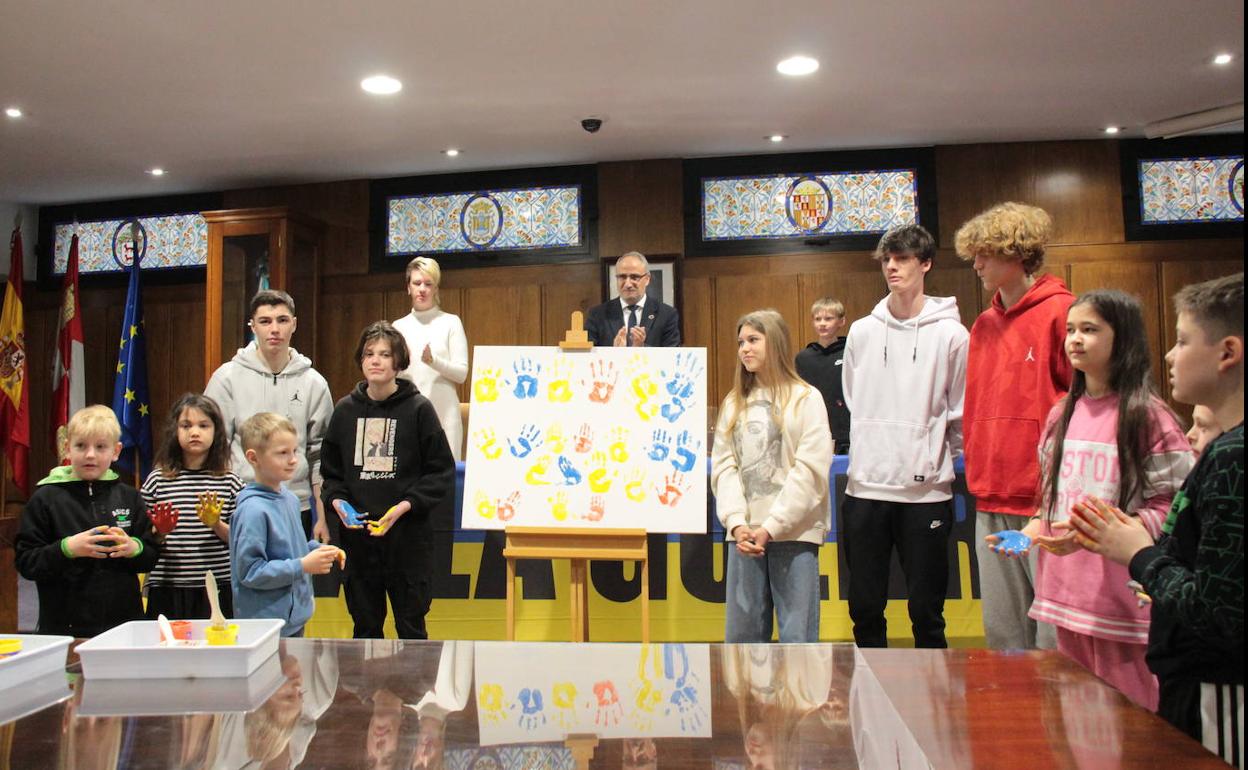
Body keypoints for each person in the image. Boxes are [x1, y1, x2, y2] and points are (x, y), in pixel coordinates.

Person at [1065, 273, 1242, 765]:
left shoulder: (1232, 458)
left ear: (1228, 352)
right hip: (1184, 669)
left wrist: (1139, 552)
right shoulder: (1223, 451)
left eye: (1183, 341)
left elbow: (1216, 608)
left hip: (1217, 681)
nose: (1170, 354)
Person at [990, 289, 1193, 711]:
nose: (1075, 340)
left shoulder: (1149, 416)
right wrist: (1032, 533)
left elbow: (1175, 507)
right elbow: (1052, 501)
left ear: (1123, 339)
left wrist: (1102, 533)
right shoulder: (1061, 413)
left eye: (1090, 329)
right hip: (1067, 598)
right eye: (1070, 330)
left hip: (1123, 605)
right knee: (1074, 727)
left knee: (1132, 727)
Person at [840, 224, 968, 649]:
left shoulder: (952, 335)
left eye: (902, 259)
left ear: (926, 263)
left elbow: (959, 412)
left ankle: (933, 709)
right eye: (886, 260)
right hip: (865, 488)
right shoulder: (861, 331)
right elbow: (855, 401)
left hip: (925, 494)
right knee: (864, 608)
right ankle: (870, 706)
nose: (892, 267)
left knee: (927, 613)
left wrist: (928, 460)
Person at [954, 201, 1074, 650]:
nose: (977, 264)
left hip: (1044, 501)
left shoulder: (1063, 313)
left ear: (1017, 253)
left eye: (987, 254)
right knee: (1003, 633)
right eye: (975, 255)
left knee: (1050, 635)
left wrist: (1055, 493)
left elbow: (1082, 409)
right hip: (991, 495)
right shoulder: (982, 326)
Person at [321, 321, 456, 639]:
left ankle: (413, 692)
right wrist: (338, 502)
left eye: (384, 354)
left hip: (407, 542)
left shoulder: (419, 409)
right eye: (369, 353)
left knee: (411, 628)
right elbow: (331, 474)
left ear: (399, 362)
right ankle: (366, 690)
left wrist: (405, 506)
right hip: (360, 542)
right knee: (365, 628)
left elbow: (440, 472)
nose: (376, 360)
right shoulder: (344, 411)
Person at [711, 308, 833, 643]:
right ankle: (747, 699)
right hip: (745, 538)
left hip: (794, 534)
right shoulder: (735, 402)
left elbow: (810, 472)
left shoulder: (806, 399)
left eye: (753, 340)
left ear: (775, 343)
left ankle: (797, 699)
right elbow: (724, 467)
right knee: (743, 640)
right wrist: (737, 523)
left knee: (797, 639)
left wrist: (773, 526)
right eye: (740, 342)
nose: (744, 349)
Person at [15, 404, 160, 636]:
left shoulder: (130, 497)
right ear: (67, 449)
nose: (90, 454)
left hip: (123, 626)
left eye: (101, 447)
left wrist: (135, 548)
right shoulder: (45, 499)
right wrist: (67, 548)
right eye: (81, 446)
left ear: (116, 451)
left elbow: (150, 557)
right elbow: (26, 562)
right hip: (64, 628)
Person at [206, 289, 333, 543]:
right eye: (265, 321)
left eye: (282, 320)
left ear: (294, 324)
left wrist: (321, 515)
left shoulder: (314, 382)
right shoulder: (227, 377)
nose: (274, 329)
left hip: (297, 505)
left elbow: (320, 454)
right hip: (243, 502)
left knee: (294, 577)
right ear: (252, 325)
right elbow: (215, 448)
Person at [231, 412, 343, 637]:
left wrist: (320, 551)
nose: (293, 460)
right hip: (264, 625)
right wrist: (302, 565)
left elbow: (295, 549)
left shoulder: (290, 499)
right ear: (253, 458)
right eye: (282, 453)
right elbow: (250, 572)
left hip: (294, 619)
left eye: (295, 451)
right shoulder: (252, 511)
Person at [141, 392, 244, 619]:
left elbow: (241, 540)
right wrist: (160, 532)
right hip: (167, 585)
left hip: (216, 585)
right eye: (186, 425)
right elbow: (143, 537)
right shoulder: (158, 480)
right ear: (175, 431)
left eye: (203, 425)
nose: (194, 432)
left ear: (216, 431)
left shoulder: (230, 482)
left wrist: (216, 524)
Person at [392, 257, 470, 461]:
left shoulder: (451, 322)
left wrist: (433, 361)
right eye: (417, 283)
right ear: (408, 287)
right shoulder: (398, 327)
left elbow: (461, 374)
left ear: (436, 289)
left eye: (428, 284)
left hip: (445, 416)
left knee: (446, 481)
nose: (422, 289)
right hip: (408, 415)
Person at [585, 251, 681, 348]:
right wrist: (613, 353)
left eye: (634, 277)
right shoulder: (597, 315)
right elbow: (588, 357)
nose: (628, 284)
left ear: (647, 279)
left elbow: (671, 357)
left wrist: (641, 348)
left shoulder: (667, 315)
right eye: (622, 277)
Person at [795, 297, 851, 455]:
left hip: (845, 433)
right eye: (818, 319)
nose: (822, 323)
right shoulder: (803, 358)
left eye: (828, 318)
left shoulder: (850, 353)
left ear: (841, 321)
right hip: (813, 431)